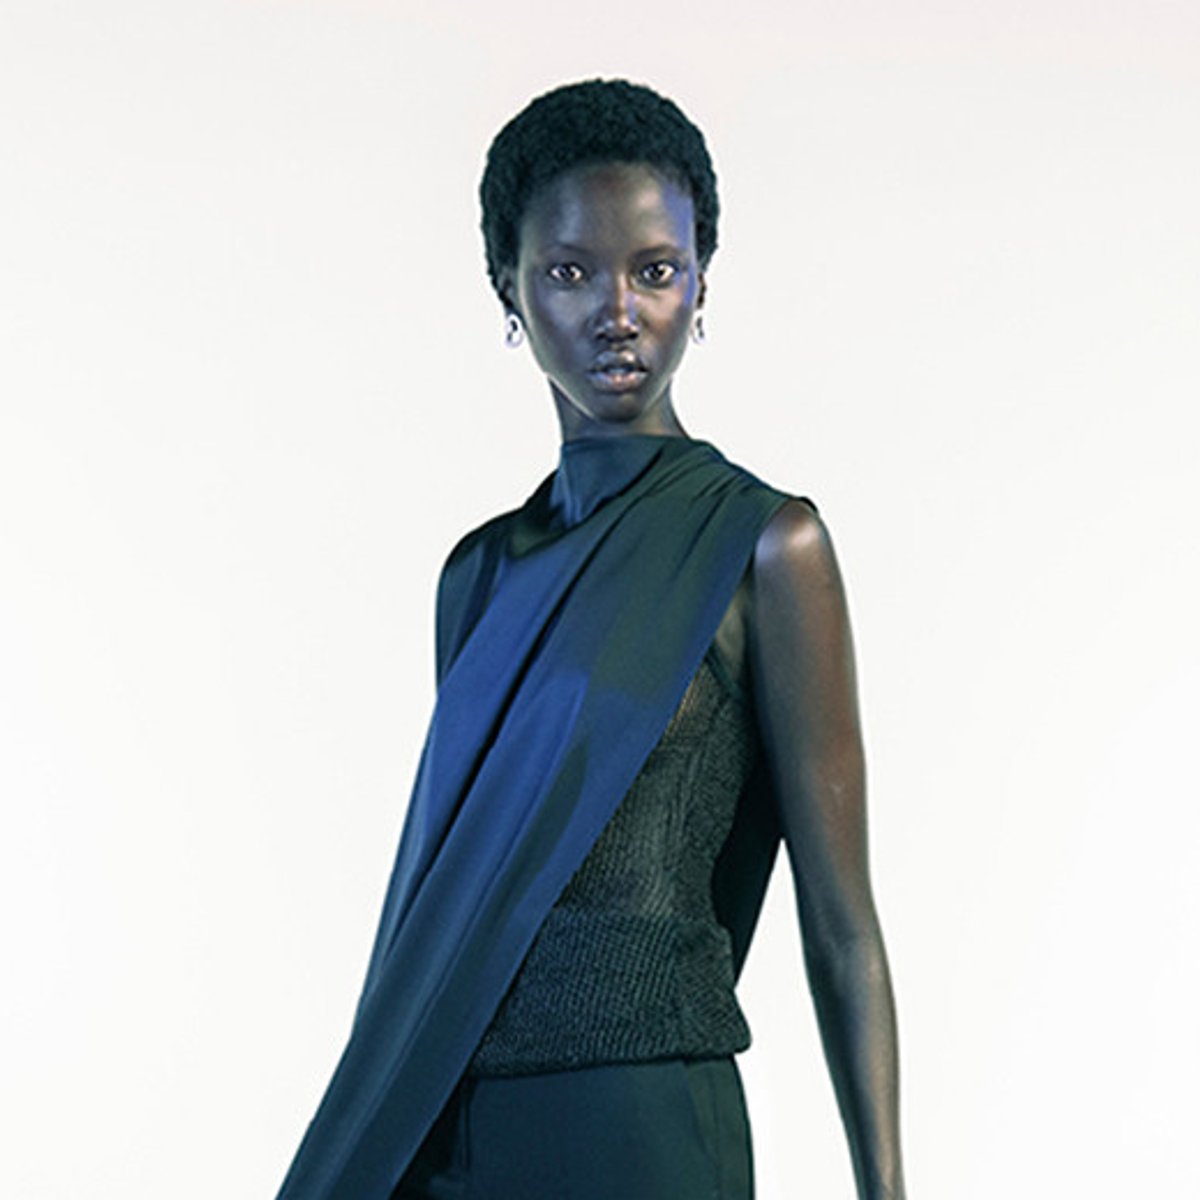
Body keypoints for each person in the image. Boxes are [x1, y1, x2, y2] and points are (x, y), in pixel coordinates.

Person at [275, 78, 907, 1200]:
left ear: (701, 282)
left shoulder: (766, 548)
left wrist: (887, 1191)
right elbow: (454, 901)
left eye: (656, 270)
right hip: (455, 1131)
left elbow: (843, 926)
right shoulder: (476, 576)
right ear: (508, 291)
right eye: (571, 272)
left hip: (646, 1131)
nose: (620, 311)